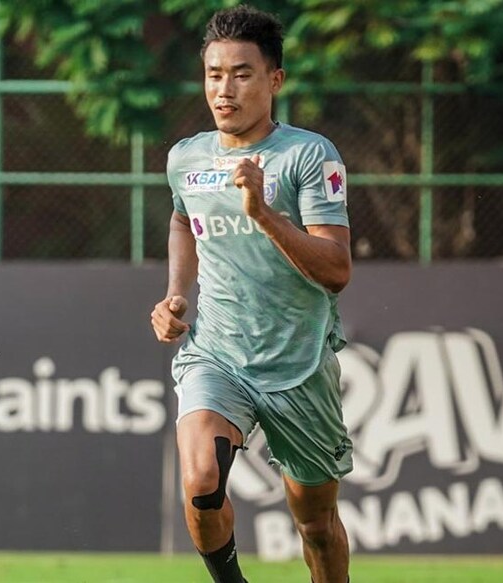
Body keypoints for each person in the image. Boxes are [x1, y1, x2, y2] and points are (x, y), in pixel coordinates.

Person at [150, 6, 353, 583]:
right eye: (214, 74)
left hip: (300, 364)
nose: (224, 88)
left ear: (275, 80)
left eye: (241, 73)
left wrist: (264, 213)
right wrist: (175, 296)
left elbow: (336, 270)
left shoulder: (309, 156)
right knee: (200, 480)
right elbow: (181, 221)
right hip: (217, 353)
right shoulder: (186, 157)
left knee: (314, 525)